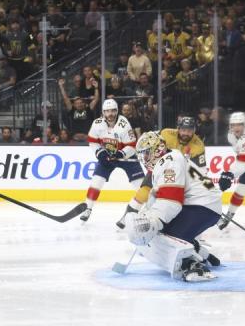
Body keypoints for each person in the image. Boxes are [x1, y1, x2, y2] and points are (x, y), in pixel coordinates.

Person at [123, 131, 221, 282]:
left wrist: (153, 223)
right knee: (160, 231)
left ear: (158, 149)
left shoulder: (169, 162)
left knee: (161, 235)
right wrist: (148, 215)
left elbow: (171, 202)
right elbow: (160, 196)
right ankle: (202, 253)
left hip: (203, 206)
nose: (144, 159)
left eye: (146, 153)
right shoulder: (170, 158)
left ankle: (191, 265)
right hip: (203, 203)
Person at [116, 116, 206, 229]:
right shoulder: (166, 133)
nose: (186, 133)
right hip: (157, 166)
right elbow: (150, 139)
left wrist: (204, 189)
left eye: (189, 130)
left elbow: (200, 171)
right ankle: (127, 216)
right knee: (144, 192)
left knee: (171, 199)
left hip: (178, 174)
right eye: (183, 129)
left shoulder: (198, 146)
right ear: (178, 128)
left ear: (194, 131)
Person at [80, 99, 144, 223]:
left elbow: (132, 145)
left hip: (127, 157)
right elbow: (93, 142)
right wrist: (100, 153)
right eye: (107, 111)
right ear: (103, 112)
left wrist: (121, 153)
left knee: (141, 187)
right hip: (108, 156)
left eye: (113, 111)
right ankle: (87, 208)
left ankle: (134, 212)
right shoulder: (97, 123)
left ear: (117, 111)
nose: (110, 114)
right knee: (96, 181)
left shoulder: (124, 125)